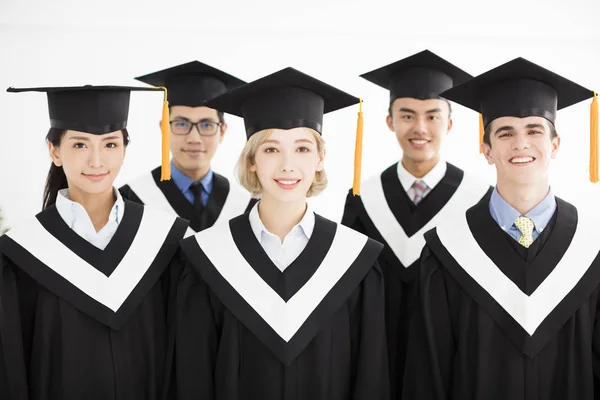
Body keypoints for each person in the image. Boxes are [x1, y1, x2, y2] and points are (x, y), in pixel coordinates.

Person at [170, 67, 390, 400]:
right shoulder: (208, 258)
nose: (288, 165)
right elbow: (193, 377)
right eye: (272, 149)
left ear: (320, 158)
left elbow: (370, 379)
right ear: (253, 160)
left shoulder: (354, 259)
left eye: (302, 149)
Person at [403, 57, 600, 399]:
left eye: (534, 130)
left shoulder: (591, 247)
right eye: (505, 132)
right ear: (487, 150)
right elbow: (428, 372)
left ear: (555, 145)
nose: (521, 143)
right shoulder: (447, 251)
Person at [0, 85, 188, 400]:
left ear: (125, 150)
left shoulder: (164, 242)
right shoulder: (21, 254)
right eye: (79, 144)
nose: (97, 160)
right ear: (54, 151)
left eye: (110, 143)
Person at [341, 49, 491, 398]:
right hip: (376, 358)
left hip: (451, 361)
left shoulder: (477, 201)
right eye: (407, 115)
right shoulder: (364, 198)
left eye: (432, 116)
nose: (420, 128)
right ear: (390, 121)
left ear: (450, 123)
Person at [120, 61, 256, 234]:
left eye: (207, 125)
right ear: (164, 128)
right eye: (181, 124)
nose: (194, 138)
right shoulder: (130, 200)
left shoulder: (245, 205)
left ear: (222, 131)